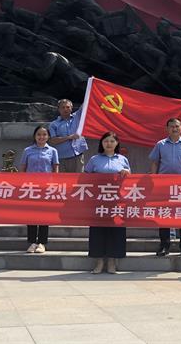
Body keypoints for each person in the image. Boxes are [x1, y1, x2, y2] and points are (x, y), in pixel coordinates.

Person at [149, 118, 181, 257]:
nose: (174, 129)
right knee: (164, 215)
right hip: (164, 185)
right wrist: (154, 179)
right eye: (171, 126)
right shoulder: (160, 144)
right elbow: (155, 162)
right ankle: (164, 246)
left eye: (177, 126)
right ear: (167, 129)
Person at [84, 131, 131, 274]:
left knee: (116, 231)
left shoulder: (123, 159)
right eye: (106, 141)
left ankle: (112, 261)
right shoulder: (94, 159)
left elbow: (130, 179)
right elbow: (85, 177)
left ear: (117, 143)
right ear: (101, 143)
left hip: (117, 201)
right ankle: (99, 261)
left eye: (112, 141)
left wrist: (126, 173)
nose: (109, 144)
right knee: (97, 231)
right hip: (98, 201)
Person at [20, 125, 60, 253]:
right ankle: (32, 242)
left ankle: (42, 242)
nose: (41, 137)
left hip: (46, 187)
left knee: (44, 215)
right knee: (31, 215)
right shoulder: (27, 150)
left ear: (48, 136)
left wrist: (55, 185)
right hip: (31, 187)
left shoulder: (53, 151)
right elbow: (23, 168)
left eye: (44, 134)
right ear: (35, 136)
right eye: (39, 134)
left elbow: (55, 169)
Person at [48, 98, 88, 173]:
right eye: (63, 107)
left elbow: (86, 104)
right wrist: (69, 137)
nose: (65, 109)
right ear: (59, 109)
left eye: (68, 107)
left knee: (78, 179)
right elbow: (53, 141)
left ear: (71, 108)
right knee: (63, 180)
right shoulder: (53, 125)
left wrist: (90, 91)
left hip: (78, 156)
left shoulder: (77, 117)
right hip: (62, 159)